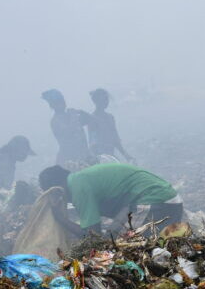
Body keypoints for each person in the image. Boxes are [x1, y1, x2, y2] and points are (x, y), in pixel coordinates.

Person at [37, 163, 182, 235]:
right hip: (165, 200)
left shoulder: (77, 187)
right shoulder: (79, 180)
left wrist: (61, 219)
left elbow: (93, 235)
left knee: (117, 244)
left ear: (57, 188)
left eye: (53, 194)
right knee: (113, 235)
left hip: (156, 201)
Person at [41, 89, 93, 168]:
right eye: (58, 102)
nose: (62, 103)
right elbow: (68, 133)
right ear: (52, 105)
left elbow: (91, 121)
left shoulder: (71, 115)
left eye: (62, 100)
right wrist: (73, 116)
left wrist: (82, 113)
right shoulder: (55, 121)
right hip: (69, 160)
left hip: (84, 156)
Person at [86, 88, 134, 162]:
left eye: (106, 99)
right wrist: (98, 158)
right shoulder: (92, 119)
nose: (106, 102)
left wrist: (126, 155)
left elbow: (115, 139)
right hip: (100, 157)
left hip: (111, 155)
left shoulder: (110, 118)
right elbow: (93, 142)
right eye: (103, 99)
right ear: (96, 101)